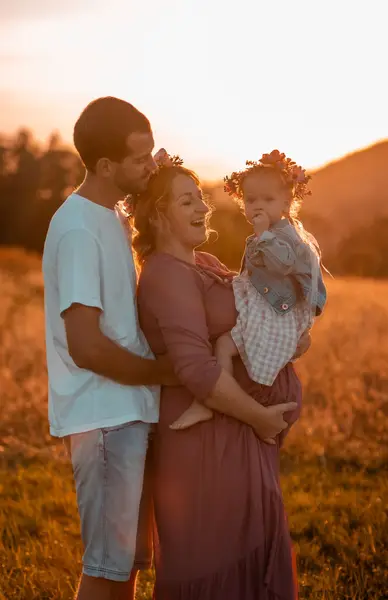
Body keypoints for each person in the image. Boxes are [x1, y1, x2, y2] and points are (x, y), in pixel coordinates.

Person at [134, 151, 309, 599]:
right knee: (216, 565)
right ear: (158, 214)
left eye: (200, 198)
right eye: (187, 201)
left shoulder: (206, 263)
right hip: (209, 447)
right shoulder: (166, 275)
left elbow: (260, 315)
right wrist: (259, 418)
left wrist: (295, 334)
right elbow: (196, 368)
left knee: (251, 557)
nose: (202, 208)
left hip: (239, 439)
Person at [42, 97, 176, 600]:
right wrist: (170, 372)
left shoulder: (110, 213)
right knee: (105, 571)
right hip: (104, 422)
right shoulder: (78, 228)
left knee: (127, 569)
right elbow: (87, 347)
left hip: (128, 416)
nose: (150, 163)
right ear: (104, 166)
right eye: (140, 158)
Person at [172, 149, 326, 430]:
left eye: (268, 200)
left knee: (241, 352)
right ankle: (217, 401)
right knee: (223, 346)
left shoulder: (283, 236)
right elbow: (253, 275)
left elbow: (283, 264)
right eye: (251, 199)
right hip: (260, 308)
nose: (258, 206)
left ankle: (243, 406)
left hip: (273, 314)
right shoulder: (267, 233)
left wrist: (263, 235)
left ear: (286, 202)